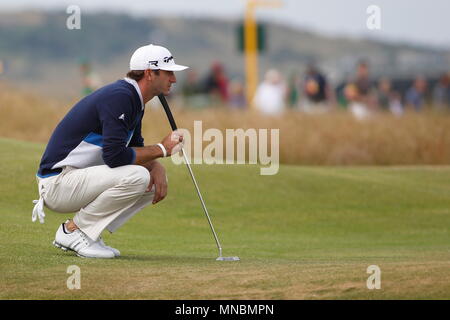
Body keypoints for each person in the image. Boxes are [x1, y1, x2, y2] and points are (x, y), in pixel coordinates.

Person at [32, 44, 188, 258]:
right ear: (150, 73)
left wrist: (157, 166)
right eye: (169, 72)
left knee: (149, 178)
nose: (174, 79)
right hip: (58, 183)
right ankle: (75, 231)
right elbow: (114, 157)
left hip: (75, 180)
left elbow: (133, 147)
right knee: (139, 175)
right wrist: (162, 149)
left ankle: (89, 233)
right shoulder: (120, 97)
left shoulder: (134, 100)